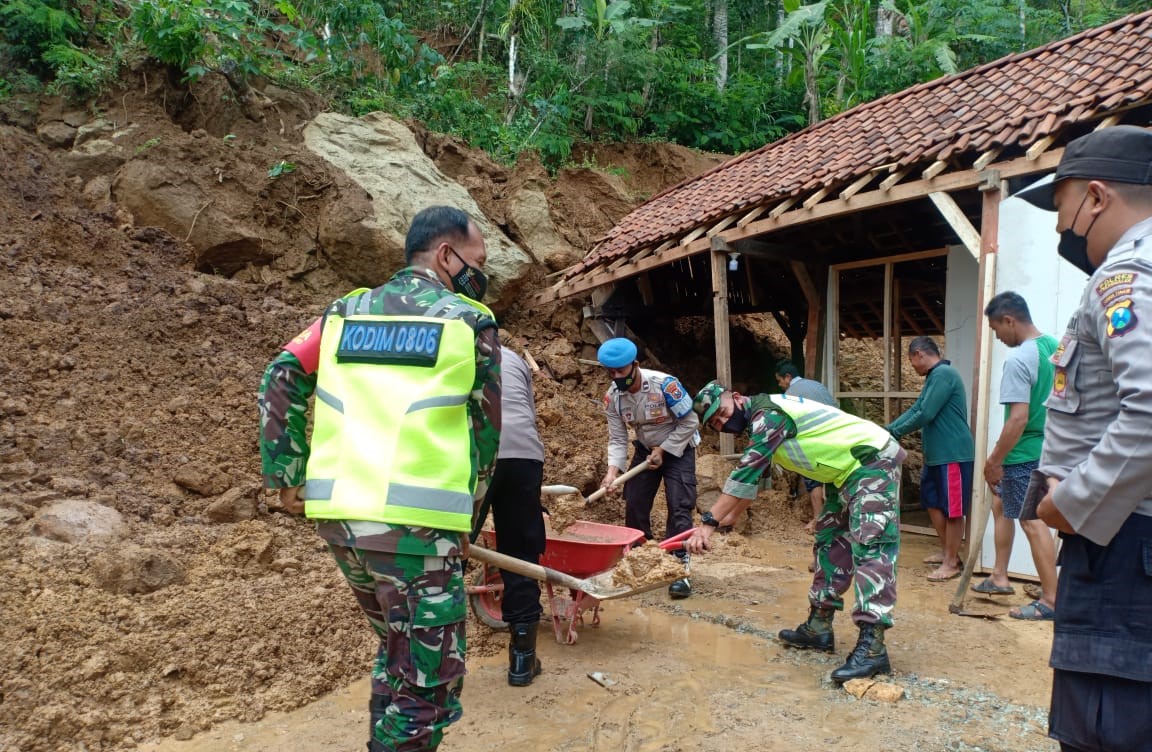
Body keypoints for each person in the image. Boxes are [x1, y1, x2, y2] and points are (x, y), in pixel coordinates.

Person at [258, 206, 501, 752]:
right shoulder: (468, 321)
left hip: (341, 521)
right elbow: (486, 438)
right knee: (429, 684)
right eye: (478, 262)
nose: (481, 276)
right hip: (418, 528)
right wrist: (468, 517)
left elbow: (281, 375)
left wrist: (285, 474)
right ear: (446, 255)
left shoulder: (345, 312)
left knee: (399, 647)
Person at [1014, 124, 1152, 752]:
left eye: (1063, 210)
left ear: (1096, 197)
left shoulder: (1128, 276)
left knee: (1105, 728)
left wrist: (1068, 505)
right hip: (1126, 539)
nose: (1060, 230)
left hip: (1124, 546)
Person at [685, 382, 906, 683]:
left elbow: (745, 471)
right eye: (716, 423)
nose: (723, 422)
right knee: (829, 540)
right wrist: (730, 518)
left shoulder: (768, 416)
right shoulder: (760, 424)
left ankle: (873, 648)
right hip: (845, 473)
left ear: (736, 398)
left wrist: (708, 523)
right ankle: (819, 627)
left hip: (871, 459)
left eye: (722, 412)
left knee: (871, 544)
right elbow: (751, 486)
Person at [973, 292, 1059, 621]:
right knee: (1001, 505)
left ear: (1010, 320)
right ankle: (999, 575)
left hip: (1025, 452)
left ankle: (1051, 600)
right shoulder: (1052, 347)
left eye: (996, 329)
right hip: (1050, 448)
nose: (997, 336)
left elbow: (1018, 419)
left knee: (1032, 521)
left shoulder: (1019, 359)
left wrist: (994, 460)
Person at [597, 337, 698, 599]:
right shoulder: (613, 398)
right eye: (611, 372)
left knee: (679, 503)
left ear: (635, 365)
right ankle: (643, 556)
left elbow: (690, 422)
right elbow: (618, 439)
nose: (616, 377)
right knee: (634, 499)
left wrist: (664, 450)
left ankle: (679, 568)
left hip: (679, 447)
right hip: (645, 450)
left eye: (621, 371)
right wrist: (611, 473)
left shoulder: (665, 385)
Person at [480, 345, 547, 686]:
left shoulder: (447, 339)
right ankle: (522, 661)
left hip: (474, 452)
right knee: (520, 553)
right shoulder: (515, 357)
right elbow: (527, 412)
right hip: (524, 454)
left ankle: (436, 663)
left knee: (447, 550)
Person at [885, 337, 974, 582]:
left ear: (919, 355)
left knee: (953, 510)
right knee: (932, 503)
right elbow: (917, 409)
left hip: (953, 454)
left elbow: (925, 413)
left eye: (911, 360)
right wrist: (889, 429)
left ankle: (951, 562)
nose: (912, 366)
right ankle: (948, 552)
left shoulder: (944, 374)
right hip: (936, 455)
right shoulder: (934, 378)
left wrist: (895, 431)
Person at [775, 360, 838, 535]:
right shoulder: (816, 385)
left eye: (780, 381)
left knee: (813, 479)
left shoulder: (791, 394)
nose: (780, 385)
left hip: (816, 440)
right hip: (836, 437)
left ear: (788, 377)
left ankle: (818, 519)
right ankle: (835, 518)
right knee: (834, 478)